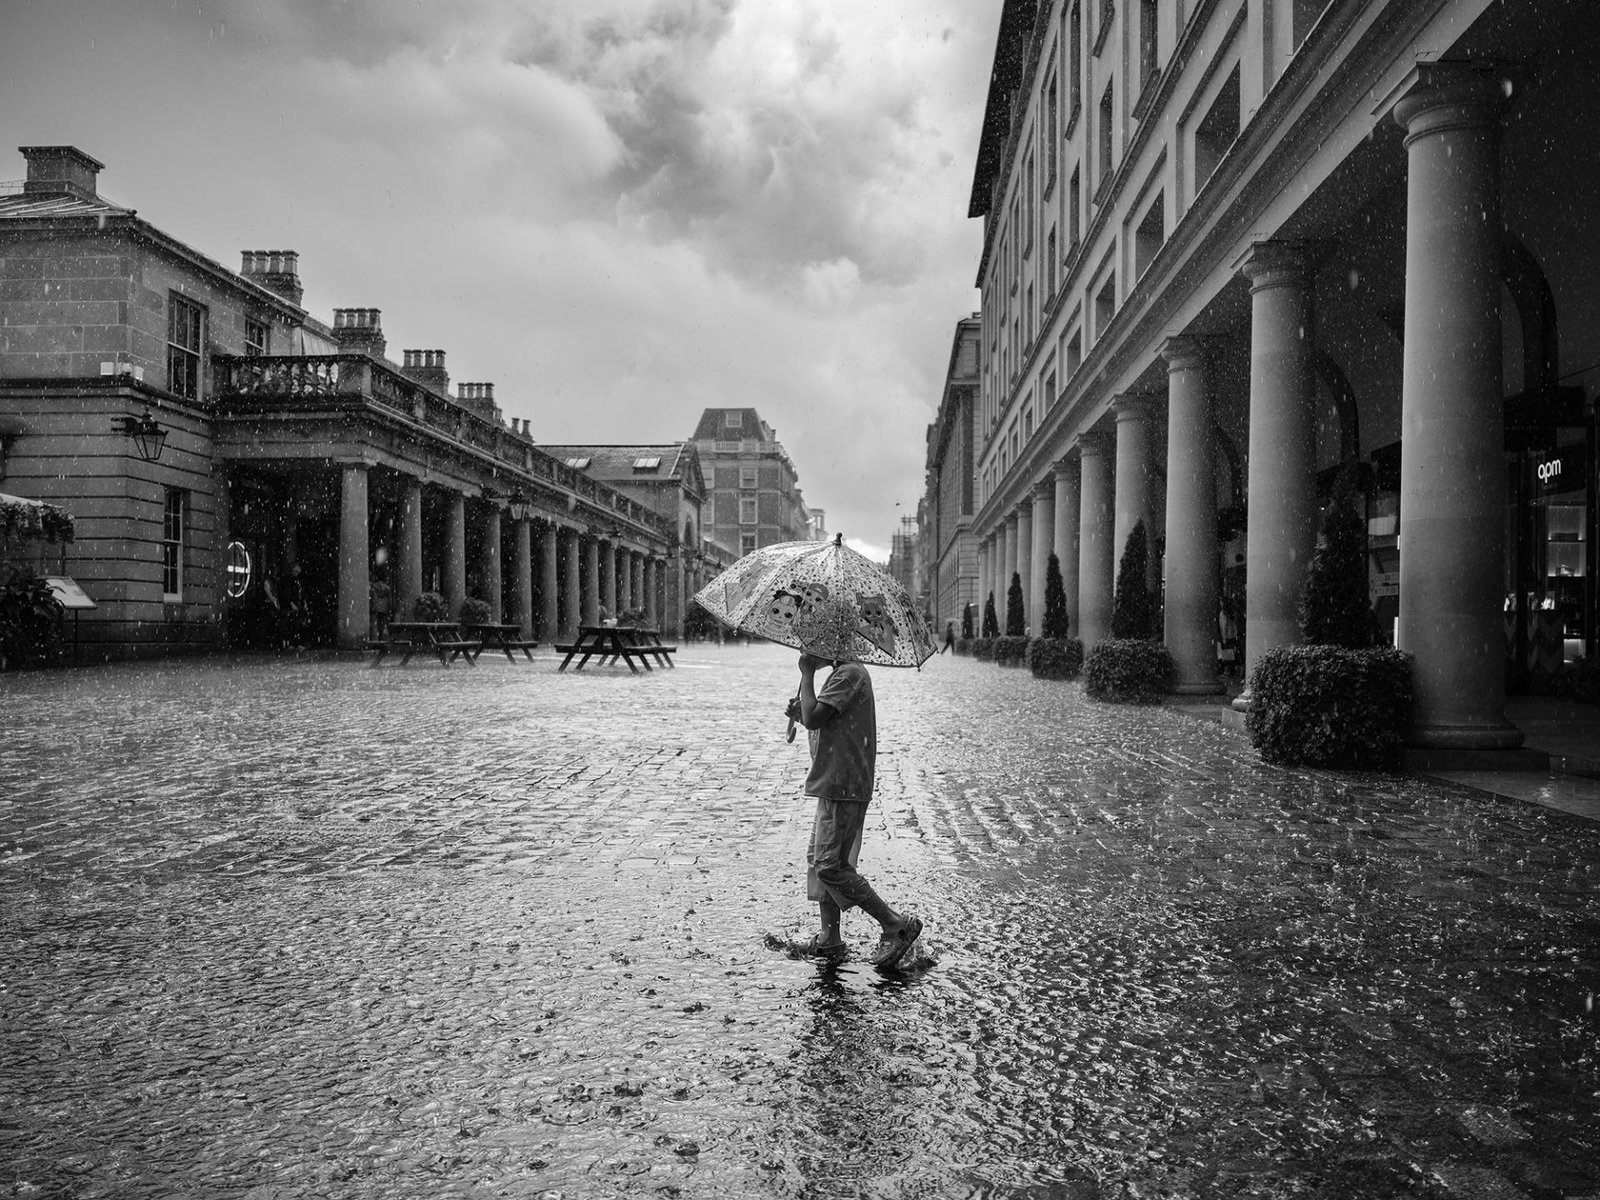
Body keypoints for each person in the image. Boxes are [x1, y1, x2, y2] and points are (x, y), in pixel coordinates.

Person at [785, 651, 922, 968]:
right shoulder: (843, 673)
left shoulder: (849, 674)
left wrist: (807, 675)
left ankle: (894, 923)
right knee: (818, 861)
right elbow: (821, 721)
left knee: (831, 865)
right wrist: (802, 712)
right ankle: (829, 938)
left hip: (842, 784)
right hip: (832, 782)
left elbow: (817, 718)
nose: (808, 650)